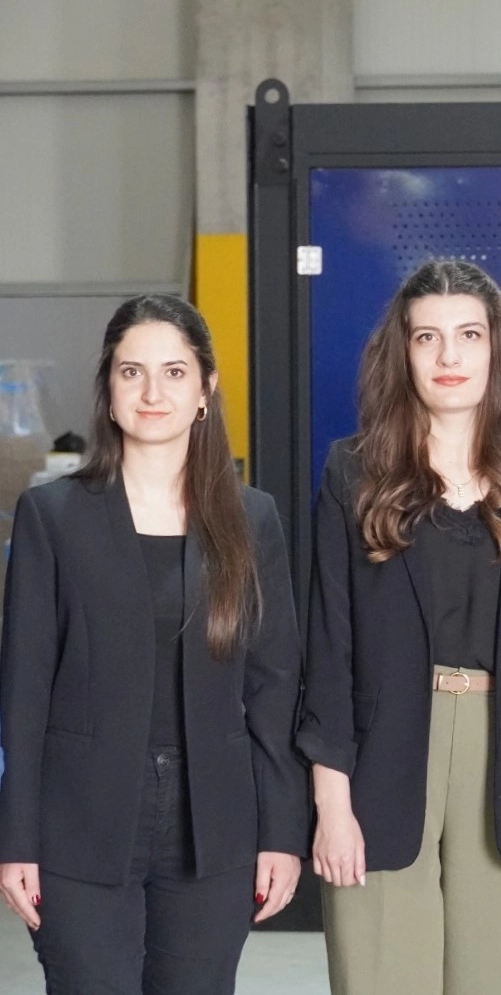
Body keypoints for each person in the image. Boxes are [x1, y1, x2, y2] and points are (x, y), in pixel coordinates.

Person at [297, 259, 501, 995]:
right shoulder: (353, 475)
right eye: (426, 337)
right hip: (381, 757)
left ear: (497, 348)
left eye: (468, 334)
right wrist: (331, 805)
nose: (448, 355)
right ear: (402, 352)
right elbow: (328, 647)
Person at [0, 294, 308, 992]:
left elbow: (274, 687)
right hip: (78, 817)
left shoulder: (251, 518)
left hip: (216, 819)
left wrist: (282, 832)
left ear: (205, 389)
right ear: (108, 388)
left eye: (174, 372)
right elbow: (23, 689)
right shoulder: (53, 515)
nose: (151, 392)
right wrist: (15, 838)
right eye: (131, 372)